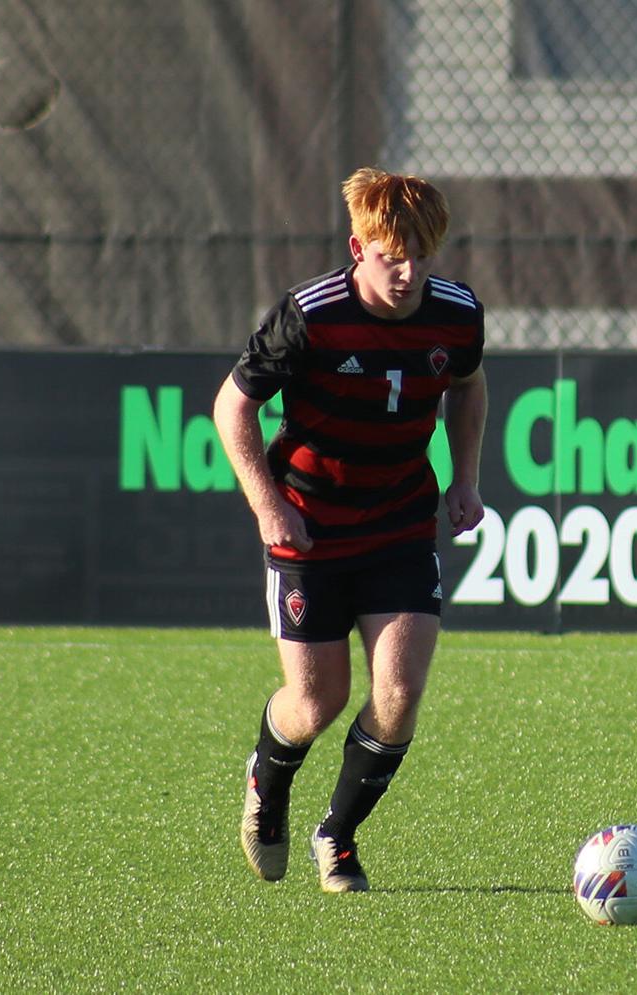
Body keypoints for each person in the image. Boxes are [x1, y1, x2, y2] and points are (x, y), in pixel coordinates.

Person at [213, 167, 487, 893]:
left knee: (398, 692)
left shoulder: (457, 313)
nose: (408, 272)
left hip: (398, 521)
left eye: (422, 256)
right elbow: (230, 409)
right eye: (392, 255)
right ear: (357, 246)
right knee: (316, 702)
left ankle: (336, 835)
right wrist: (270, 506)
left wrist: (465, 478)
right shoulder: (311, 314)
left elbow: (468, 384)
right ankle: (266, 784)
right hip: (309, 528)